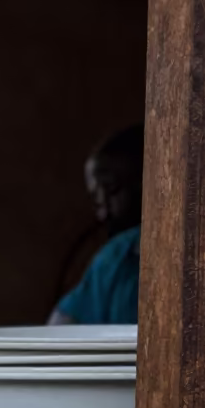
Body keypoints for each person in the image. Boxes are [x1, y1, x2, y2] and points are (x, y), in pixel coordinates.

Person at [49, 124, 144, 325]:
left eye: (113, 190)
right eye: (98, 200)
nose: (103, 214)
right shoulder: (117, 257)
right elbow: (59, 327)